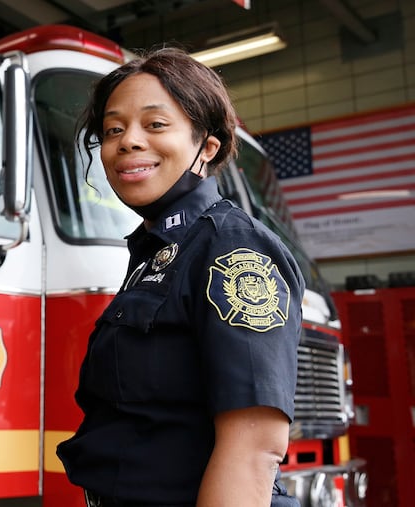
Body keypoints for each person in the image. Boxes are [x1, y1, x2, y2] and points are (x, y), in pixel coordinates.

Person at [56, 46, 304, 507]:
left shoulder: (234, 250)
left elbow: (253, 450)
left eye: (155, 124)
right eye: (113, 129)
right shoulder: (157, 253)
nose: (128, 141)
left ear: (206, 147)